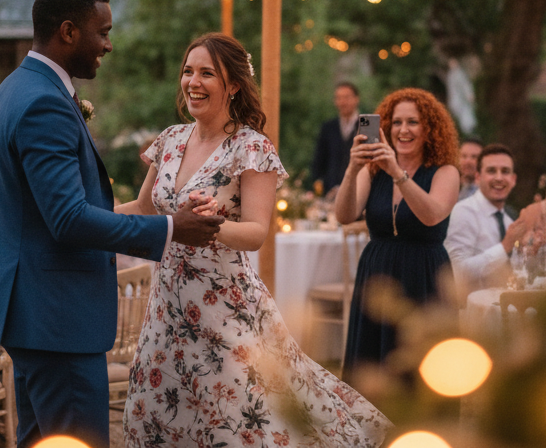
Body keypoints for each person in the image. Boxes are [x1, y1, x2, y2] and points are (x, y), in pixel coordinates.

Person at [0, 0, 222, 448]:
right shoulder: (44, 102)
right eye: (101, 32)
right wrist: (172, 228)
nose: (108, 44)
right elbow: (68, 219)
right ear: (68, 31)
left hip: (33, 314)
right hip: (58, 318)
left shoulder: (15, 87)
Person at [119, 33, 389, 447]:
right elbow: (143, 209)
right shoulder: (170, 139)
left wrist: (210, 224)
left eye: (207, 73)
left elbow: (256, 232)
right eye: (188, 71)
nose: (193, 81)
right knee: (161, 417)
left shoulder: (251, 147)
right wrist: (82, 217)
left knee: (240, 418)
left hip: (224, 307)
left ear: (233, 86)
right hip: (166, 310)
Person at [335, 87, 461, 373]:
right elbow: (344, 215)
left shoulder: (445, 172)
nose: (404, 130)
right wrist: (352, 169)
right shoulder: (373, 170)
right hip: (376, 273)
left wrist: (397, 172)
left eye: (413, 122)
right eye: (397, 122)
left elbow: (431, 216)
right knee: (371, 361)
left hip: (424, 275)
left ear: (429, 129)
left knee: (420, 365)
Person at [445, 144, 529, 291]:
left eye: (505, 171)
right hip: (473, 311)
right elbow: (456, 273)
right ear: (478, 177)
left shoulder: (509, 220)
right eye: (491, 171)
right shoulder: (464, 212)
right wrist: (504, 247)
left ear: (513, 179)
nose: (499, 178)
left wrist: (530, 252)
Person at [309, 82, 360, 196]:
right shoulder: (328, 127)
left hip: (358, 189)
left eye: (346, 97)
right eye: (339, 98)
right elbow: (319, 159)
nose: (343, 102)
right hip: (330, 191)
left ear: (356, 99)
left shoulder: (365, 126)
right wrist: (319, 182)